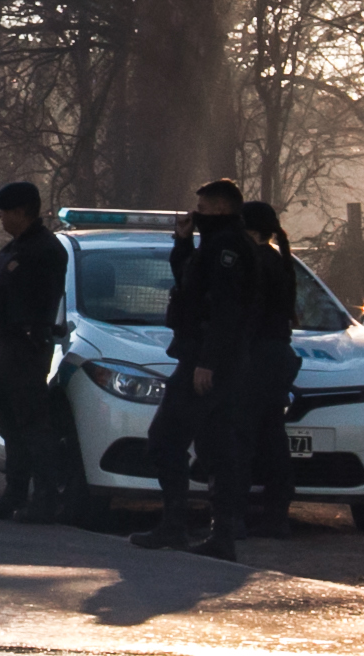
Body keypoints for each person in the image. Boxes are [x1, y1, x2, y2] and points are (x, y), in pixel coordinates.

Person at [131, 178, 263, 560]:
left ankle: (175, 526)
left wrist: (206, 362)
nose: (195, 215)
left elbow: (225, 310)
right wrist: (183, 242)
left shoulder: (228, 248)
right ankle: (220, 535)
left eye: (202, 210)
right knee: (215, 447)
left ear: (222, 209)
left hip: (207, 364)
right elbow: (189, 284)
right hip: (216, 361)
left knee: (165, 438)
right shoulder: (219, 244)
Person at [0, 179, 69, 521]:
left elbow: (38, 300)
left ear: (21, 212)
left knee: (33, 424)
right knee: (9, 421)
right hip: (7, 344)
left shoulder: (43, 250)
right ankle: (14, 493)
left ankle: (44, 498)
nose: (1, 218)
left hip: (27, 346)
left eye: (5, 212)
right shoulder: (15, 247)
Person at [237, 199, 300, 534]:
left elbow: (247, 314)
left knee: (243, 436)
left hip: (257, 358)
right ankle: (276, 512)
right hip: (277, 356)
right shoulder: (279, 261)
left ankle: (239, 513)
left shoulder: (256, 263)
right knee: (272, 436)